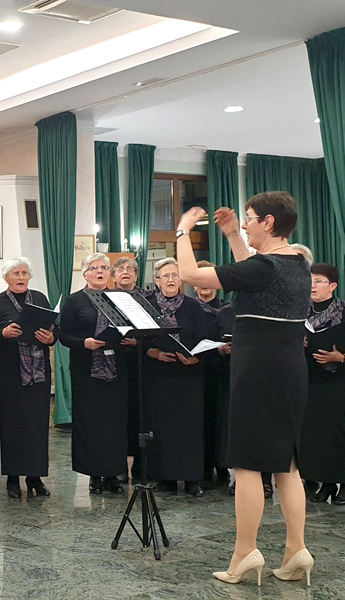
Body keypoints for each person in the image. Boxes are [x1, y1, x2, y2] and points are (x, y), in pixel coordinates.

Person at [177, 193, 312, 586]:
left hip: (257, 372)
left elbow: (190, 275)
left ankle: (244, 552)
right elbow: (251, 271)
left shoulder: (263, 267)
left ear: (268, 222)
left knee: (247, 464)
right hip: (291, 371)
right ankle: (296, 549)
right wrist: (234, 235)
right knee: (287, 464)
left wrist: (183, 230)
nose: (247, 223)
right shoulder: (298, 264)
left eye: (250, 218)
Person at [0, 257, 56, 499]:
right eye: (16, 273)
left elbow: (53, 329)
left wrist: (51, 338)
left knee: (37, 427)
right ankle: (12, 478)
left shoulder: (40, 299)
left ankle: (35, 477)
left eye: (25, 273)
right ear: (6, 278)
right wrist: (2, 333)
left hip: (38, 373)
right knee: (12, 425)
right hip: (10, 373)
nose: (21, 277)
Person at [58, 253, 127, 494]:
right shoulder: (75, 301)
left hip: (116, 370)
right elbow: (63, 335)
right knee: (90, 424)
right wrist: (83, 343)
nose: (100, 272)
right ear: (85, 274)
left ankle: (113, 474)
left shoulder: (120, 299)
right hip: (85, 371)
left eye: (104, 268)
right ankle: (94, 475)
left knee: (114, 424)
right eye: (94, 268)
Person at [143, 258, 206, 497]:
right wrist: (152, 352)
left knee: (189, 429)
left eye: (175, 275)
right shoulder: (147, 306)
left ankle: (192, 479)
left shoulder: (193, 306)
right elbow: (139, 339)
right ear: (157, 281)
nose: (171, 280)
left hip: (188, 376)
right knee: (162, 428)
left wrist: (196, 357)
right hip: (159, 375)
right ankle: (166, 478)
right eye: (166, 276)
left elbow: (203, 337)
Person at [298, 263, 345, 505]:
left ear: (333, 285)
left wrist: (340, 357)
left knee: (338, 433)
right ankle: (324, 483)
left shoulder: (343, 312)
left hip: (338, 381)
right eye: (310, 281)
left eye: (318, 281)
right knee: (316, 434)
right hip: (310, 380)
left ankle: (343, 485)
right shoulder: (301, 313)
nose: (313, 286)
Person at [193, 260, 236, 489]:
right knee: (200, 420)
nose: (205, 286)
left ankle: (221, 466)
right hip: (195, 371)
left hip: (221, 372)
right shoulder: (189, 308)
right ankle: (202, 466)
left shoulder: (227, 309)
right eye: (200, 281)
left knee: (219, 420)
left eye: (209, 281)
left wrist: (224, 348)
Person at [111, 257, 148, 481]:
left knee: (140, 415)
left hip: (142, 364)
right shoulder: (105, 298)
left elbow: (154, 330)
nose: (125, 272)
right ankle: (119, 467)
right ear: (113, 276)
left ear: (136, 275)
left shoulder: (147, 299)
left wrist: (138, 342)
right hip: (113, 363)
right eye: (120, 269)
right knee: (118, 417)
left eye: (130, 269)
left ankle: (141, 468)